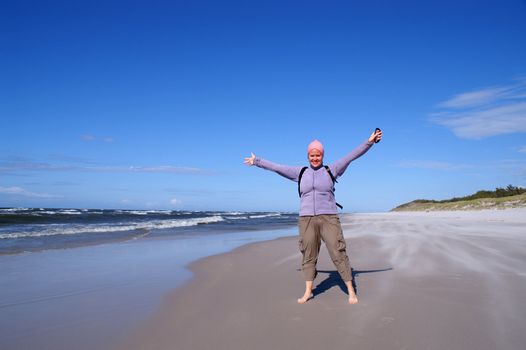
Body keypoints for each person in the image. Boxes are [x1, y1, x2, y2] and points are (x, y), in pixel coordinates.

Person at [244, 129, 382, 304]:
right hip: (307, 219)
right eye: (312, 155)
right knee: (308, 254)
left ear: (322, 155)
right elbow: (277, 168)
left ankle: (350, 290)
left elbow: (352, 155)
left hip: (329, 218)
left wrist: (369, 142)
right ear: (308, 156)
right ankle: (308, 291)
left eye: (318, 155)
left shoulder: (332, 169)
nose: (315, 158)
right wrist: (257, 161)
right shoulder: (300, 172)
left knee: (338, 252)